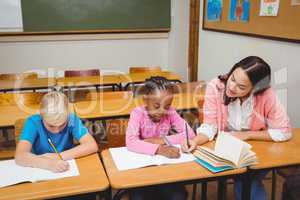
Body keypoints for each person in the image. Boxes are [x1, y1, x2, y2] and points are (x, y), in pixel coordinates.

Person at [182, 56, 292, 200]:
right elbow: (210, 127)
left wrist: (248, 135)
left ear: (256, 88)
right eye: (232, 78)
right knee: (245, 179)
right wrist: (195, 141)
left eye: (241, 87)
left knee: (248, 178)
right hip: (225, 151)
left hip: (256, 151)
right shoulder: (216, 87)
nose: (232, 87)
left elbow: (284, 131)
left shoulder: (266, 94)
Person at [126, 76, 195, 200]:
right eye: (156, 106)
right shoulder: (137, 114)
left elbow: (190, 134)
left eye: (167, 106)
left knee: (179, 196)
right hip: (142, 170)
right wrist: (159, 149)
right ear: (145, 100)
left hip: (165, 168)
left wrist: (163, 140)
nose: (162, 111)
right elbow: (131, 142)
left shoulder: (170, 112)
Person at [15, 91, 98, 173]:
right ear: (42, 115)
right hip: (39, 169)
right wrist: (48, 164)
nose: (57, 130)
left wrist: (58, 157)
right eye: (51, 126)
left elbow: (92, 145)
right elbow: (20, 156)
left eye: (62, 125)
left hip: (67, 165)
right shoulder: (33, 122)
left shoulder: (71, 119)